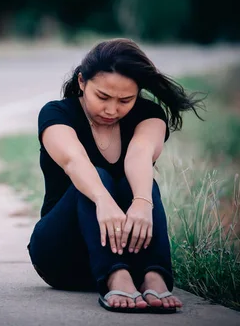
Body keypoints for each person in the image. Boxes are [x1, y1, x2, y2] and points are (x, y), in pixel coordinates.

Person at [27, 38, 205, 314]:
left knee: (142, 184)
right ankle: (116, 277)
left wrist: (143, 202)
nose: (112, 110)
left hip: (130, 252)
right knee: (96, 176)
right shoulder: (57, 113)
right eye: (103, 97)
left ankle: (153, 276)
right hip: (61, 254)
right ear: (82, 82)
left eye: (125, 100)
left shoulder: (148, 115)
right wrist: (103, 201)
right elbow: (74, 161)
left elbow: (140, 154)